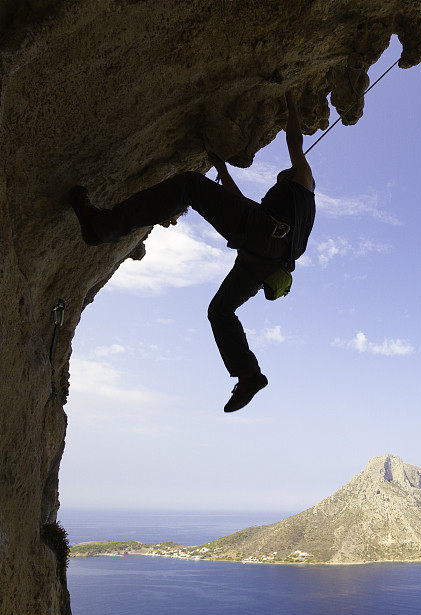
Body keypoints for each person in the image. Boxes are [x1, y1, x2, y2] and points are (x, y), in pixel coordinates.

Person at [69, 91, 316, 412]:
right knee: (221, 311)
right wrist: (222, 171)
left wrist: (291, 101)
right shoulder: (289, 211)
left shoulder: (304, 181)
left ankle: (103, 227)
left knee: (188, 185)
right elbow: (240, 208)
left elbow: (295, 143)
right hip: (266, 261)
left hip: (263, 242)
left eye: (282, 174)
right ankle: (248, 374)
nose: (280, 175)